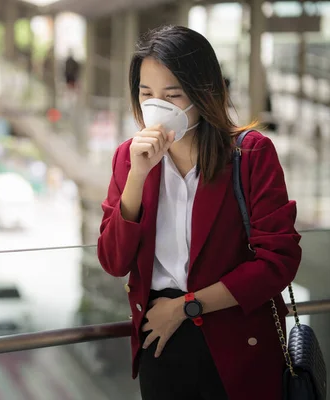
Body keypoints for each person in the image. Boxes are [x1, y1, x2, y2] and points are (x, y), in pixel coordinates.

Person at [97, 25, 302, 400]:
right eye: (147, 94)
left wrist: (187, 307)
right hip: (160, 343)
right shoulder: (130, 158)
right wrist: (137, 176)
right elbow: (113, 260)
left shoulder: (250, 154)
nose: (157, 106)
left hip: (237, 340)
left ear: (204, 93)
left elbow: (279, 260)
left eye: (172, 95)